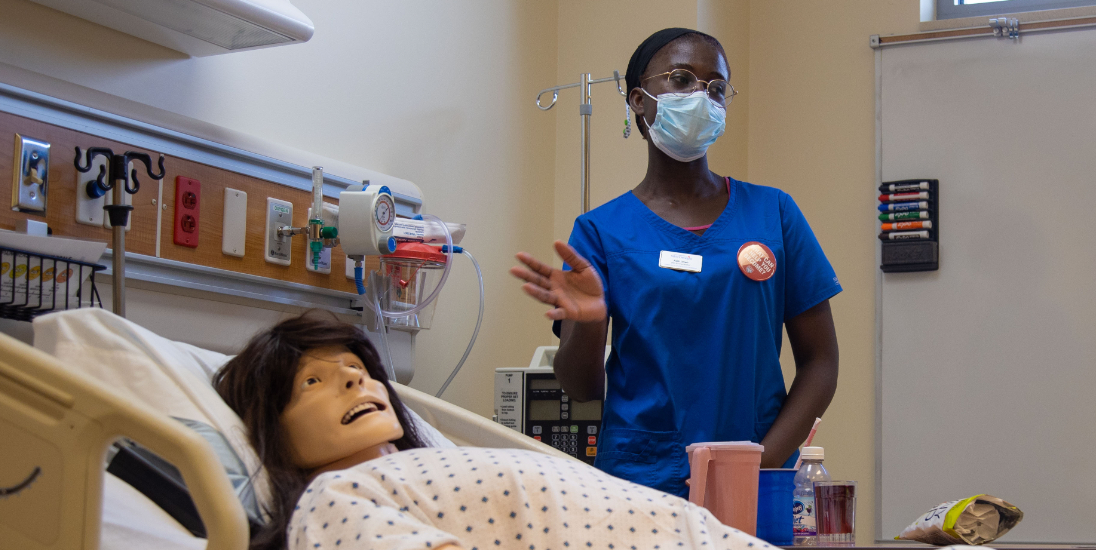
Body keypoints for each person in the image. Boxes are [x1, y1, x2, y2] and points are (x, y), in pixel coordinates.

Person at [510, 28, 842, 498]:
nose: (701, 97)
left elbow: (821, 362)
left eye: (716, 87)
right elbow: (581, 387)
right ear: (639, 101)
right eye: (681, 79)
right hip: (641, 481)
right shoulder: (600, 231)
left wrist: (761, 465)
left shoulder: (773, 214)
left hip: (754, 475)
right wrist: (590, 322)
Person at [213, 312, 772, 550]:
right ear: (270, 427)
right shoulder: (331, 499)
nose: (355, 384)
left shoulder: (428, 464)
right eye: (314, 381)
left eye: (359, 372)